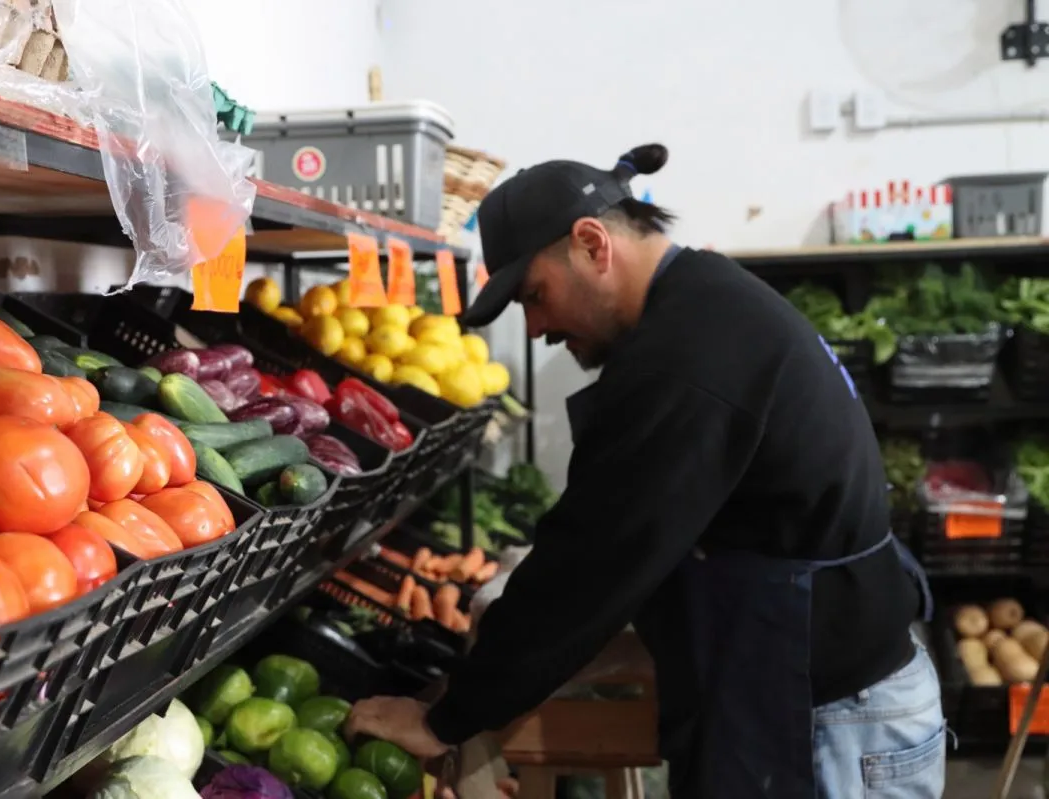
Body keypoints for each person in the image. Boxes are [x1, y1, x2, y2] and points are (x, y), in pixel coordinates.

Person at [345, 144, 945, 798]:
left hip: (831, 727)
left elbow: (596, 555)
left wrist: (447, 720)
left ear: (592, 243)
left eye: (535, 295)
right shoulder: (703, 305)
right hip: (806, 697)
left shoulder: (684, 355)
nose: (539, 326)